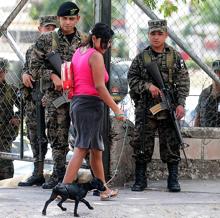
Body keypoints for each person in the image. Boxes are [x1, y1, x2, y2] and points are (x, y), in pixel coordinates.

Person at [58, 22, 125, 200]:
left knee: (96, 150)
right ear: (94, 38)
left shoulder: (79, 52)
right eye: (105, 41)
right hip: (89, 105)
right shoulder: (95, 56)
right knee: (81, 148)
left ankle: (103, 189)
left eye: (109, 42)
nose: (108, 45)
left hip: (79, 104)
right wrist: (117, 109)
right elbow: (100, 87)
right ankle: (63, 189)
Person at [128, 19, 190, 192]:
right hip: (146, 107)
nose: (156, 37)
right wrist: (148, 86)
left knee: (171, 142)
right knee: (142, 143)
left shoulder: (175, 56)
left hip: (168, 106)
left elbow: (183, 81)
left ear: (166, 35)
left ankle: (173, 179)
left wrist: (180, 104)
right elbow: (132, 79)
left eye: (159, 34)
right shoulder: (142, 57)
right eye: (152, 34)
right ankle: (140, 179)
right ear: (148, 35)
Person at [29, 1, 83, 189]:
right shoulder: (46, 40)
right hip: (56, 96)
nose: (68, 22)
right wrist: (52, 76)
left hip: (79, 95)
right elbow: (33, 68)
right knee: (56, 135)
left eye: (71, 18)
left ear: (78, 19)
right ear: (59, 19)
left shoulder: (84, 41)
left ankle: (87, 175)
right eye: (64, 18)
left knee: (84, 137)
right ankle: (58, 173)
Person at [18, 16, 57, 186]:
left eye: (53, 28)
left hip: (53, 98)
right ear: (39, 28)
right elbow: (27, 68)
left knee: (57, 135)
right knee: (35, 136)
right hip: (34, 98)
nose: (50, 31)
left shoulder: (58, 48)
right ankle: (38, 172)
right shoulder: (32, 49)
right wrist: (24, 74)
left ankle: (58, 172)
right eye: (47, 27)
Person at [0, 58, 20, 180]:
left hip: (4, 134)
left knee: (5, 172)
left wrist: (17, 117)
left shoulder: (11, 90)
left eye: (3, 71)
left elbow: (24, 107)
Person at [194, 60, 220, 127]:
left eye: (219, 72)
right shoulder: (205, 93)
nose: (218, 75)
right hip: (206, 133)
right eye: (215, 72)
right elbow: (198, 117)